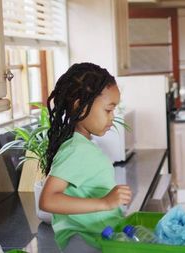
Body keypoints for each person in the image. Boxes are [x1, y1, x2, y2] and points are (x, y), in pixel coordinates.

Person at [39, 63, 132, 252]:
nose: (112, 117)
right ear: (80, 106)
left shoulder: (82, 146)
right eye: (108, 110)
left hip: (98, 240)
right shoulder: (75, 149)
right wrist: (105, 202)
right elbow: (47, 200)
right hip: (84, 244)